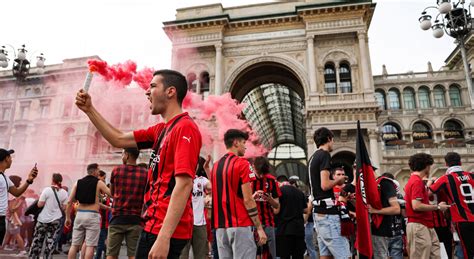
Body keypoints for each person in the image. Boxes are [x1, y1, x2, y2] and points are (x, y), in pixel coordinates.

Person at [75, 69, 202, 258]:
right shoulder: (160, 130)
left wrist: (163, 238)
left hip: (164, 230)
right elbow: (118, 139)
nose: (147, 92)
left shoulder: (185, 128)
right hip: (151, 224)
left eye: (152, 86)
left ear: (170, 92)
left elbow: (184, 184)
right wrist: (89, 110)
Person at [210, 129, 267, 258]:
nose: (245, 146)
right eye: (243, 142)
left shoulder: (215, 166)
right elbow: (248, 199)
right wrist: (259, 227)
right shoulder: (243, 164)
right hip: (240, 225)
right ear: (235, 143)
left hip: (220, 227)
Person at [308, 128, 349, 259]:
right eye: (333, 139)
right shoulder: (324, 155)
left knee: (326, 256)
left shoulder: (313, 157)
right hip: (328, 215)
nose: (333, 142)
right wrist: (339, 180)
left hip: (318, 214)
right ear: (328, 138)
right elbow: (325, 185)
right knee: (345, 255)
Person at [404, 153, 450, 258]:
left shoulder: (416, 181)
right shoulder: (416, 182)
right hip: (419, 225)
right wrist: (438, 207)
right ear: (426, 166)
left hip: (424, 225)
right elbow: (416, 206)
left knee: (435, 254)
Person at [429, 152, 474, 258]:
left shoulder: (445, 178)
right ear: (461, 162)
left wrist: (430, 181)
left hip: (462, 220)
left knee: (468, 251)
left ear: (446, 164)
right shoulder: (472, 175)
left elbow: (428, 193)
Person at [107, 148, 147, 259]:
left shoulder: (116, 170)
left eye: (123, 154)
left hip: (117, 218)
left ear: (127, 155)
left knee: (111, 255)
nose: (122, 156)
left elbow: (112, 193)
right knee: (133, 255)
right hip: (135, 219)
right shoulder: (145, 173)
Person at [65, 163, 111, 259]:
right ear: (94, 171)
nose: (99, 173)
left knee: (74, 245)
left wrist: (68, 217)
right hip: (92, 215)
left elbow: (69, 201)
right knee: (90, 246)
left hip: (80, 215)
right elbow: (111, 194)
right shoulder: (98, 183)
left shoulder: (78, 182)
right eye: (98, 170)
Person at [0, 149, 38, 246]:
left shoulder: (4, 177)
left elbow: (17, 192)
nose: (12, 160)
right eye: (11, 157)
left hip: (2, 218)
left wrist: (29, 180)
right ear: (7, 159)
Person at [29, 173, 68, 259]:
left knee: (37, 241)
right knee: (50, 242)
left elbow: (40, 204)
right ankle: (48, 257)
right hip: (56, 220)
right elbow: (64, 207)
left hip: (43, 219)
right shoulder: (64, 192)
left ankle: (34, 257)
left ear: (52, 180)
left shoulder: (47, 190)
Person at [179, 157, 211, 259]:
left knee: (201, 256)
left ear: (197, 166)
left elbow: (213, 187)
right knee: (182, 256)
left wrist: (207, 169)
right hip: (183, 224)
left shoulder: (201, 181)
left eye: (195, 164)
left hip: (199, 224)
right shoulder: (179, 181)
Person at [251, 156, 281, 259]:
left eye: (263, 173)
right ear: (253, 167)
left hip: (268, 223)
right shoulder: (247, 179)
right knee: (253, 253)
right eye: (258, 172)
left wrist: (270, 199)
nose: (260, 175)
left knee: (270, 254)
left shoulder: (272, 180)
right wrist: (253, 197)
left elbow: (277, 206)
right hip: (251, 223)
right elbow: (241, 203)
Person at [368, 172, 402, 259]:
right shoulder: (371, 184)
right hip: (373, 229)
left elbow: (396, 209)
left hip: (381, 229)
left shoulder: (385, 183)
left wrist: (375, 210)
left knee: (381, 256)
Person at [275, 179, 308, 259]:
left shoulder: (279, 192)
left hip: (284, 229)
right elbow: (305, 210)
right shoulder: (300, 192)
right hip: (299, 229)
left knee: (284, 255)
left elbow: (276, 210)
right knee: (298, 255)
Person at [95, 170, 111, 259]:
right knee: (100, 243)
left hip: (104, 222)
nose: (104, 181)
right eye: (103, 178)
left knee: (101, 242)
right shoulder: (99, 192)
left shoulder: (103, 193)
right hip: (100, 221)